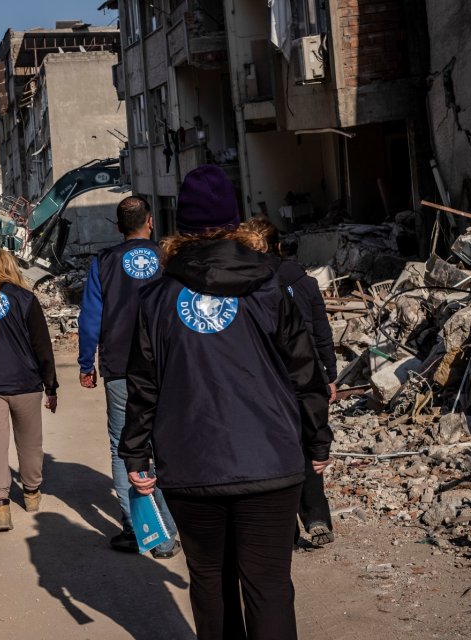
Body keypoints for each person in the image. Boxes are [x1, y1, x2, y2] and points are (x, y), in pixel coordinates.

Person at [120, 165, 333, 639]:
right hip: (270, 462)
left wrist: (135, 451)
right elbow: (306, 372)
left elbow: (144, 384)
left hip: (192, 465)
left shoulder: (157, 298)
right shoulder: (269, 287)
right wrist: (317, 440)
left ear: (182, 227)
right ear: (235, 221)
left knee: (210, 583)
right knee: (270, 586)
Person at [76, 196, 180, 558]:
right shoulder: (169, 256)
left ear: (118, 227)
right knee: (163, 443)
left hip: (121, 366)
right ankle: (170, 530)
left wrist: (86, 363)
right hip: (166, 365)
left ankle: (143, 530)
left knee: (124, 448)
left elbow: (90, 317)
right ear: (150, 222)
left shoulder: (104, 262)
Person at [240, 216, 339, 548]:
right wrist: (330, 375)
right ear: (280, 247)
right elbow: (322, 335)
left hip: (268, 381)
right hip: (306, 376)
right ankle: (317, 517)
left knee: (276, 454)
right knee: (309, 447)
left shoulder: (248, 287)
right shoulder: (307, 284)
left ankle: (287, 530)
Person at [0, 248, 58, 533]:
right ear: (11, 267)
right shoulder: (26, 299)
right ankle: (31, 494)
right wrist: (51, 385)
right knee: (30, 442)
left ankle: (0, 505)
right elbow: (42, 346)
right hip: (25, 383)